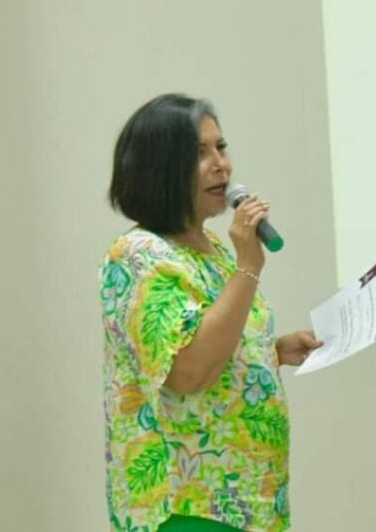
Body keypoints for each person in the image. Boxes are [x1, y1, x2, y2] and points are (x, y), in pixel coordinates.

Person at [100, 94, 322, 532]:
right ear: (159, 168)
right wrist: (250, 265)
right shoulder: (139, 254)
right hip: (189, 504)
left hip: (248, 497)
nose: (221, 164)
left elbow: (215, 345)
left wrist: (274, 351)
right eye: (200, 153)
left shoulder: (212, 248)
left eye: (221, 147)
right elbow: (186, 373)